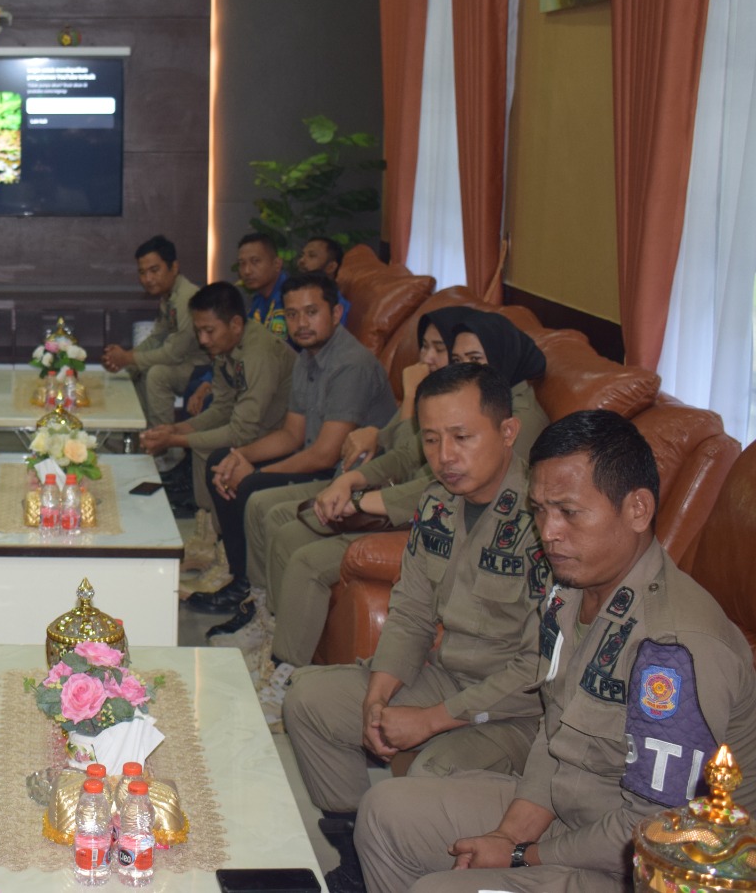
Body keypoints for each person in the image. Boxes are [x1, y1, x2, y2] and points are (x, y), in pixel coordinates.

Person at [353, 410, 756, 893]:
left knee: (438, 889)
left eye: (569, 511)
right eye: (540, 510)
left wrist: (522, 856)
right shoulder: (569, 595)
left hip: (647, 865)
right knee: (384, 812)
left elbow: (657, 827)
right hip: (571, 811)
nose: (548, 532)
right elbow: (555, 731)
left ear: (637, 509)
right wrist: (509, 835)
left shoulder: (674, 648)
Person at [284, 364, 546, 893]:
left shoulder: (544, 520)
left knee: (430, 777)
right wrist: (377, 697)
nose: (445, 456)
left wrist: (430, 721)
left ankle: (408, 869)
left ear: (508, 431)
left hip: (517, 715)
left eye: (462, 437)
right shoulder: (437, 503)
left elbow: (538, 669)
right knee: (309, 699)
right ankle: (357, 849)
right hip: (446, 678)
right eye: (431, 439)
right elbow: (411, 612)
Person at [256, 309, 551, 691]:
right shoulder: (449, 406)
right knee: (288, 526)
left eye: (475, 359)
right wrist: (354, 480)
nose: (462, 367)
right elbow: (405, 449)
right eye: (457, 358)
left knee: (307, 558)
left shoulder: (514, 422)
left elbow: (443, 487)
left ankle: (285, 672)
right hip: (420, 508)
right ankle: (275, 639)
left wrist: (364, 501)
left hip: (437, 524)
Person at [189, 272, 394, 636]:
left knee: (251, 487)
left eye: (311, 312)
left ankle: (254, 598)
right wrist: (241, 456)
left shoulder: (351, 364)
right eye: (292, 314)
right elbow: (291, 435)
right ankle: (240, 580)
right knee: (224, 461)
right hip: (319, 460)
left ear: (336, 313)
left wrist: (255, 474)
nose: (301, 323)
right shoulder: (306, 357)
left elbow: (324, 455)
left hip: (347, 479)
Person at [141, 282, 296, 592]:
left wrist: (176, 441)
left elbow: (241, 431)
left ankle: (227, 556)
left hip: (280, 438)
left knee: (217, 453)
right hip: (256, 428)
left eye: (209, 331)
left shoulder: (258, 354)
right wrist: (177, 429)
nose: (203, 339)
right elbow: (222, 408)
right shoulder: (227, 348)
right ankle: (208, 538)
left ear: (235, 324)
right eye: (199, 331)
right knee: (205, 445)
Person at [101, 236, 209, 462]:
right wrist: (125, 358)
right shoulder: (168, 296)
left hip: (200, 368)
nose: (148, 279)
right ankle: (138, 438)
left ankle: (166, 454)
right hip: (182, 363)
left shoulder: (186, 298)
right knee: (137, 368)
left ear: (174, 267)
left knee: (157, 374)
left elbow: (173, 353)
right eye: (142, 272)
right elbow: (157, 338)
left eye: (154, 270)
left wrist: (128, 358)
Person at [238, 232, 290, 341]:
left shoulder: (291, 296)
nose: (247, 271)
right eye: (242, 263)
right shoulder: (259, 298)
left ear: (277, 264)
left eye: (255, 261)